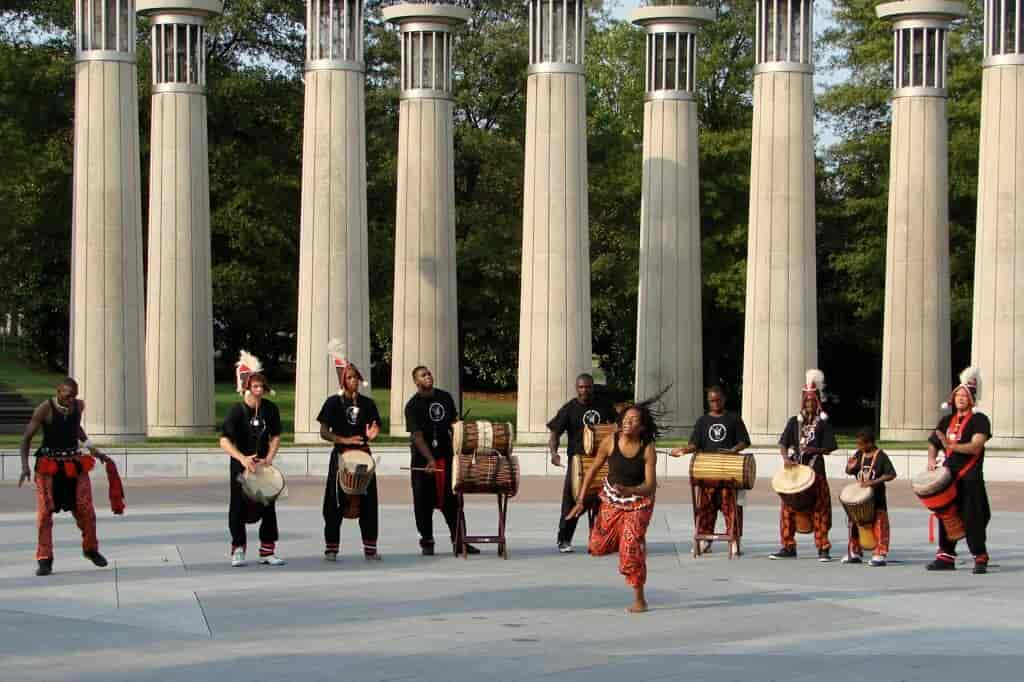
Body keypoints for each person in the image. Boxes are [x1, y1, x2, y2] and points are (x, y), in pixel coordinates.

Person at [566, 394, 664, 614]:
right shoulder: (611, 441)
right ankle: (631, 538)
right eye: (626, 419)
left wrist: (630, 490)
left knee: (630, 549)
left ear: (642, 426)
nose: (629, 422)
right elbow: (592, 469)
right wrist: (581, 500)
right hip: (612, 497)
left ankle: (640, 599)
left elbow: (650, 486)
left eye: (635, 420)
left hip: (639, 501)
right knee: (597, 546)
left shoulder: (647, 448)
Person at [19, 377, 113, 576]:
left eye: (75, 396)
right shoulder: (44, 409)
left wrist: (95, 451)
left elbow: (77, 430)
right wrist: (25, 466)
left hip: (74, 463)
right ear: (58, 392)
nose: (72, 400)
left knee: (86, 509)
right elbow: (26, 438)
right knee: (45, 513)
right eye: (68, 396)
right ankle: (44, 558)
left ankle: (91, 549)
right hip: (48, 467)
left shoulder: (78, 406)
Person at [219, 351, 285, 567]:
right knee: (238, 506)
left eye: (261, 386)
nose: (259, 390)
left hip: (262, 466)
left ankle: (267, 551)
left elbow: (276, 436)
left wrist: (268, 457)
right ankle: (238, 549)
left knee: (268, 505)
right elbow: (224, 441)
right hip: (241, 466)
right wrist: (242, 459)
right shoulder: (237, 411)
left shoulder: (270, 409)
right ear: (247, 386)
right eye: (255, 386)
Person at [318, 342, 382, 561]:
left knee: (369, 503)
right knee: (334, 502)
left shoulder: (368, 403)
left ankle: (371, 549)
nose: (354, 380)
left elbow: (375, 425)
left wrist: (374, 432)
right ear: (343, 381)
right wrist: (344, 439)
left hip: (364, 456)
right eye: (350, 377)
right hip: (341, 457)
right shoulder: (333, 403)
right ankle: (332, 548)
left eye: (356, 377)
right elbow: (324, 431)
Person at [925, 367, 992, 574]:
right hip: (949, 477)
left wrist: (952, 446)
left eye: (965, 396)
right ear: (952, 399)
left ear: (971, 399)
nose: (961, 399)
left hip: (970, 476)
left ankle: (979, 557)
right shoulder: (946, 421)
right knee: (946, 514)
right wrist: (931, 458)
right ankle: (946, 556)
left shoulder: (979, 420)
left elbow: (976, 446)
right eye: (958, 396)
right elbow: (934, 442)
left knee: (974, 516)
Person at [670, 386, 751, 555]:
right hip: (707, 471)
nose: (715, 403)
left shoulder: (734, 418)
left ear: (724, 399)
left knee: (732, 508)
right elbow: (695, 444)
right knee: (705, 508)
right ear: (708, 401)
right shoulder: (702, 421)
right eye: (712, 400)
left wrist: (734, 450)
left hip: (728, 470)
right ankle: (705, 540)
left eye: (718, 400)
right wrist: (683, 450)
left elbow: (744, 441)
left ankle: (734, 539)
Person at [405, 366, 476, 555]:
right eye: (423, 375)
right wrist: (429, 459)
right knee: (423, 502)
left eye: (429, 373)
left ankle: (459, 540)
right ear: (416, 381)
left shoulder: (445, 397)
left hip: (446, 457)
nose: (428, 376)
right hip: (424, 462)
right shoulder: (412, 406)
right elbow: (417, 436)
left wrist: (462, 440)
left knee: (453, 501)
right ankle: (427, 541)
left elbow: (454, 424)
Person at [770, 369, 838, 562]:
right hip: (796, 472)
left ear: (817, 402)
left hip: (816, 473)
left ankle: (823, 548)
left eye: (812, 401)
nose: (809, 405)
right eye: (806, 402)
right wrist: (785, 459)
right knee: (787, 508)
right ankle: (788, 546)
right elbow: (783, 443)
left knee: (821, 509)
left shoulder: (823, 423)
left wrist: (812, 451)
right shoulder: (794, 422)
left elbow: (830, 447)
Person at [548, 373, 618, 553]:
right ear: (576, 388)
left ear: (592, 387)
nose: (584, 390)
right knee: (571, 500)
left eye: (587, 387)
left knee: (608, 500)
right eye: (581, 387)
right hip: (578, 462)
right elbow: (555, 432)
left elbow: (617, 426)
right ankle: (564, 539)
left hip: (602, 461)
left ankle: (603, 538)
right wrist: (554, 453)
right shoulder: (570, 408)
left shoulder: (603, 405)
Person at [841, 428, 896, 567]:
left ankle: (880, 553)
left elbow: (891, 474)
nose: (858, 447)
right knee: (854, 523)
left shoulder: (881, 456)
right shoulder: (860, 454)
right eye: (858, 444)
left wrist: (873, 482)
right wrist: (850, 467)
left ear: (870, 443)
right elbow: (849, 470)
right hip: (860, 497)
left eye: (861, 444)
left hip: (877, 498)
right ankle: (855, 551)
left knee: (880, 525)